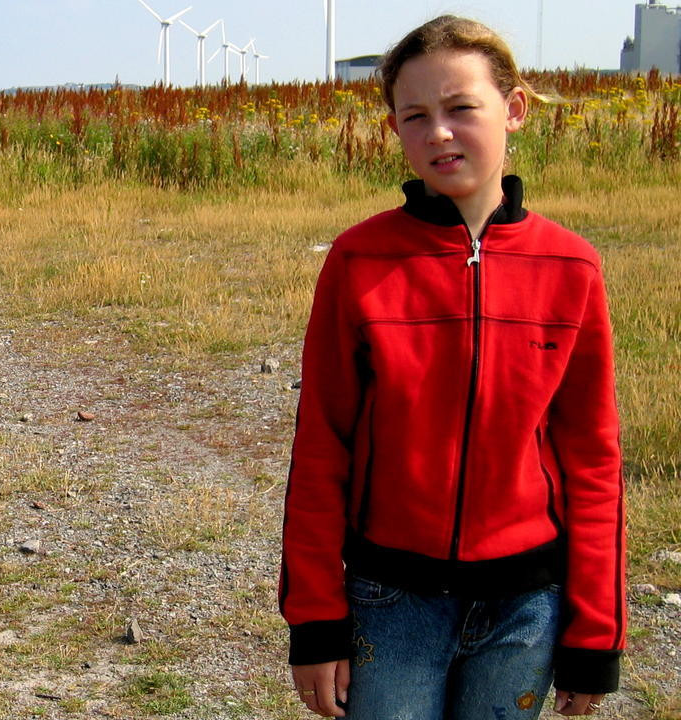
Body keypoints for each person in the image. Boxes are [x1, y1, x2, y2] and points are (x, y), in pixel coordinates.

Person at [278, 16, 625, 719]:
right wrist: (315, 620)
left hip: (525, 608)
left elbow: (593, 459)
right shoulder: (359, 261)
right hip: (391, 601)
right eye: (415, 116)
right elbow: (320, 446)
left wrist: (596, 633)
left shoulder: (571, 267)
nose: (439, 133)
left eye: (461, 107)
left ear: (514, 108)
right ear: (395, 130)